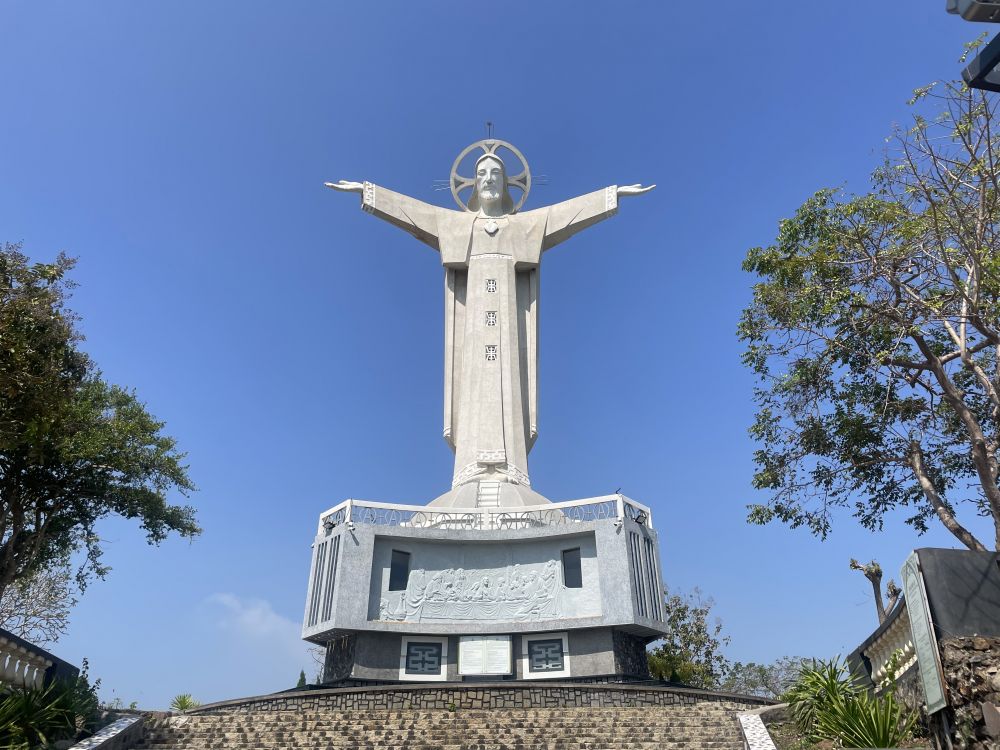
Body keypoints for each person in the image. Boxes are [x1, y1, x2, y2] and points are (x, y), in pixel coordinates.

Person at [326, 145, 653, 505]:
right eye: (481, 173)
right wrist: (368, 193)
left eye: (495, 173)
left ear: (508, 183)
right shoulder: (456, 225)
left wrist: (611, 196)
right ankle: (472, 471)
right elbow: (412, 212)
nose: (488, 179)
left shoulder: (523, 226)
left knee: (508, 385)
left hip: (509, 334)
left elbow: (567, 213)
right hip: (473, 338)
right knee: (474, 387)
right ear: (471, 184)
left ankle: (512, 472)